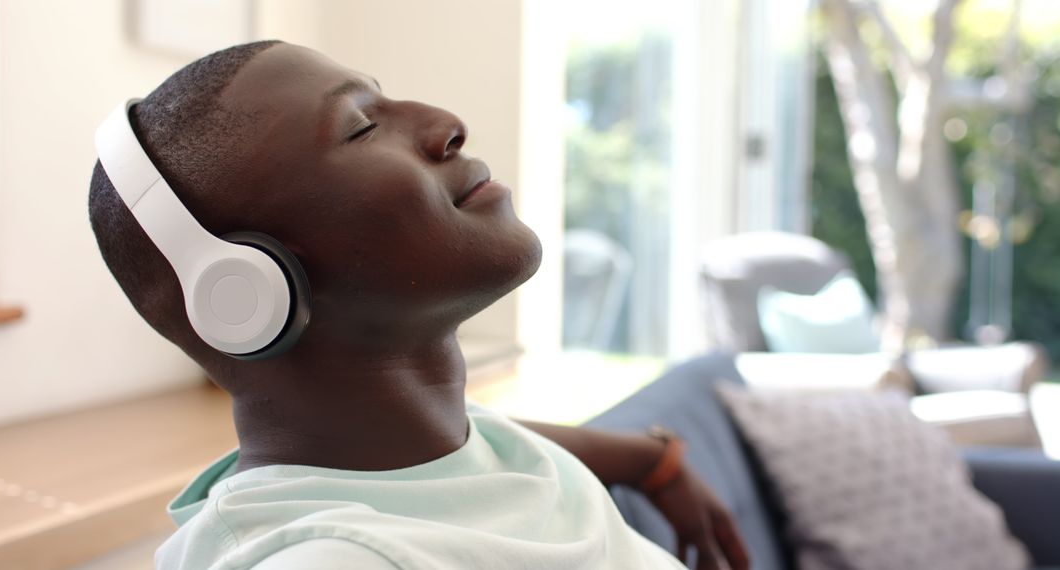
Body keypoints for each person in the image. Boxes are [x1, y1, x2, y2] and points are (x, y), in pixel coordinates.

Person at [88, 40, 749, 570]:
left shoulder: (440, 448)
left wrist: (652, 462)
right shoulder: (335, 557)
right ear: (245, 290)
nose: (447, 125)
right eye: (362, 127)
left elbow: (480, 443)